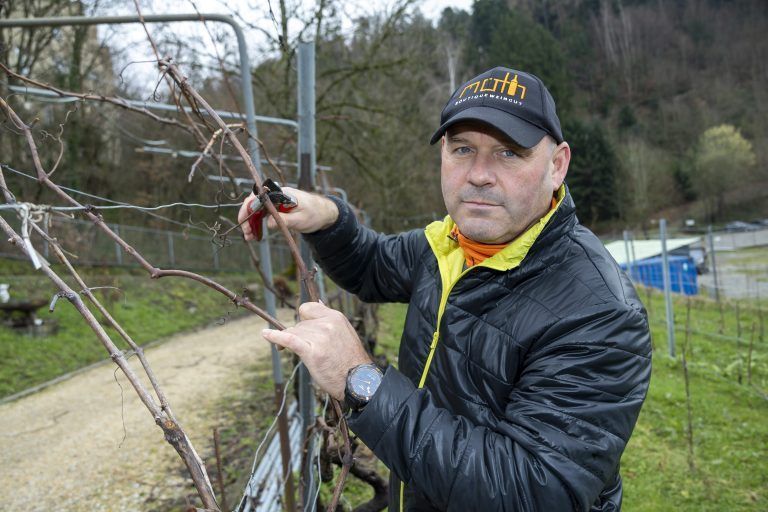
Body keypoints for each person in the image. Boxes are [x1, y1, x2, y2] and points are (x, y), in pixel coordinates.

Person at [238, 66, 652, 512]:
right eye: (461, 149)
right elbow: (372, 264)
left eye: (508, 153)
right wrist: (326, 215)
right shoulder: (448, 244)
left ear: (557, 166)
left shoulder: (600, 312)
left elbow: (533, 492)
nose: (478, 174)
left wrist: (362, 383)